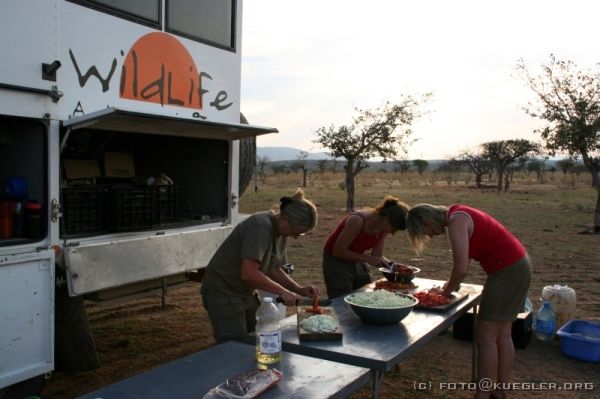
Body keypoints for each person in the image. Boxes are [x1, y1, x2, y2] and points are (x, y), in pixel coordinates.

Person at [406, 204, 532, 399]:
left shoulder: (457, 221)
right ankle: (501, 391)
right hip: (519, 264)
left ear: (426, 221)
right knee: (503, 334)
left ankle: (483, 394)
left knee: (485, 336)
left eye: (425, 232)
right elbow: (466, 259)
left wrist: (445, 292)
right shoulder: (459, 213)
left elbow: (462, 268)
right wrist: (450, 286)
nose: (429, 236)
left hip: (506, 271)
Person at [201, 189, 319, 343]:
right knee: (233, 347)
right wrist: (282, 292)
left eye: (300, 233)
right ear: (284, 218)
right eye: (295, 231)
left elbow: (273, 268)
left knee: (255, 338)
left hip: (244, 292)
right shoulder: (260, 226)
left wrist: (297, 289)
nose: (295, 236)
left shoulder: (282, 232)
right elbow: (248, 273)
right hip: (223, 290)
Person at [322, 196, 410, 299]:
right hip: (336, 261)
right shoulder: (358, 220)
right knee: (341, 299)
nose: (393, 233)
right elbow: (338, 251)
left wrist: (393, 265)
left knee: (364, 295)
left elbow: (377, 255)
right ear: (386, 219)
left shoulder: (382, 229)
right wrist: (367, 259)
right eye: (394, 228)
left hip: (358, 258)